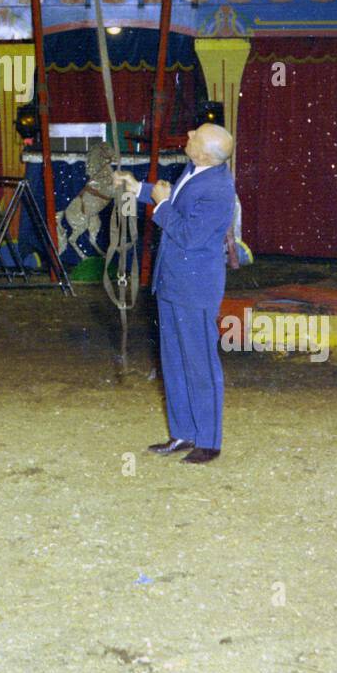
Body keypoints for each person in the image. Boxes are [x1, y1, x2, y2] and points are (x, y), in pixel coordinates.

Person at [117, 123, 236, 464]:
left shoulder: (218, 189)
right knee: (174, 362)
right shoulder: (197, 168)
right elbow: (175, 198)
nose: (187, 135)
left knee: (199, 365)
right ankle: (183, 432)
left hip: (194, 289)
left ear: (204, 152)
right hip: (171, 283)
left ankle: (209, 441)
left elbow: (188, 234)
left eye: (194, 136)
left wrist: (159, 205)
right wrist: (137, 187)